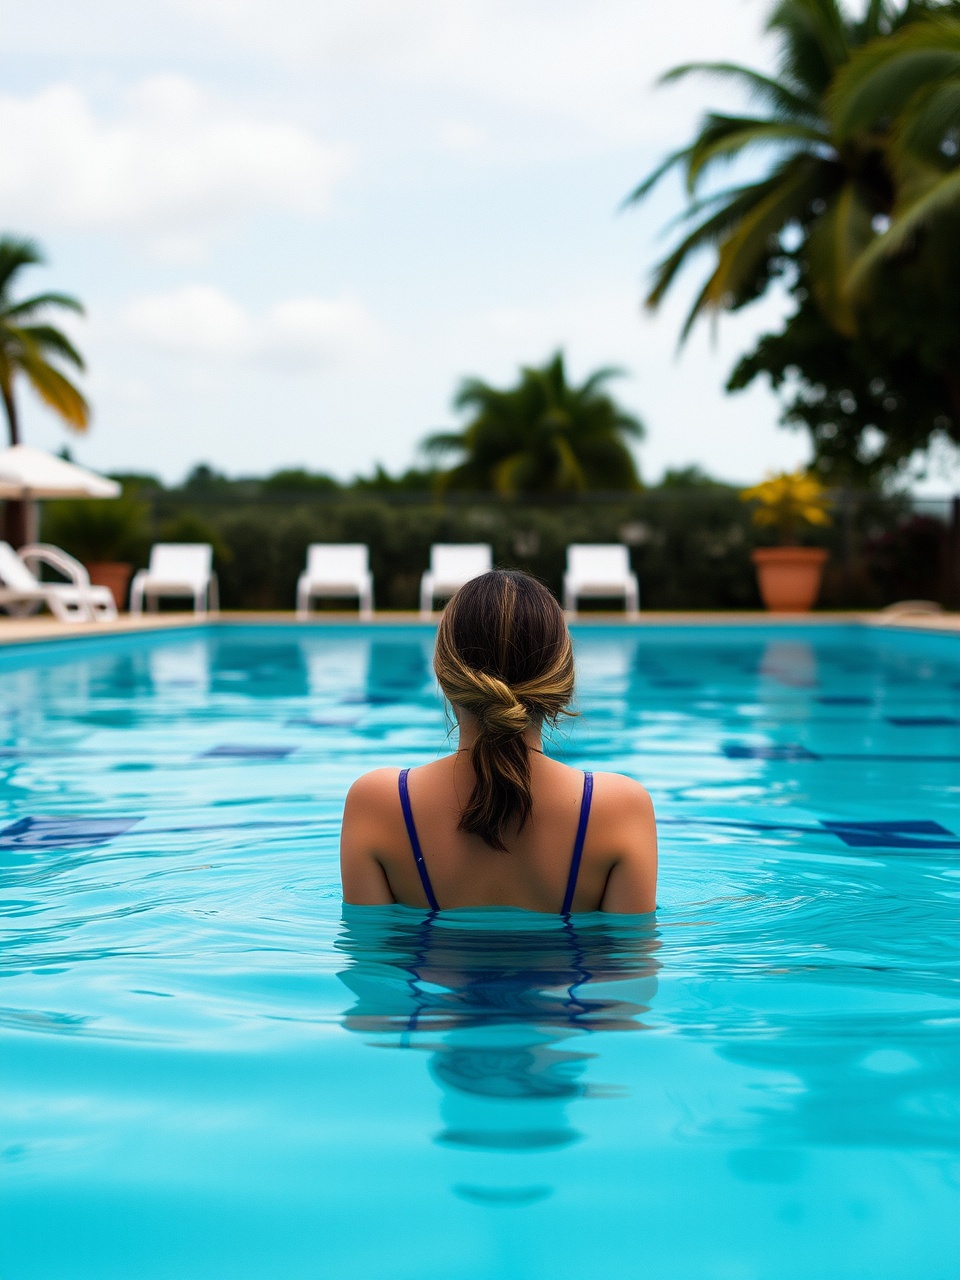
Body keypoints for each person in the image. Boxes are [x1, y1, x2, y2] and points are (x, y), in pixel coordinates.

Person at [340, 569, 657, 913]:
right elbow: (629, 963)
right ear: (562, 679)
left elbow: (372, 961)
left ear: (445, 676)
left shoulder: (377, 804)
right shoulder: (619, 809)